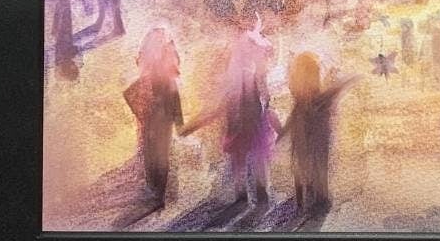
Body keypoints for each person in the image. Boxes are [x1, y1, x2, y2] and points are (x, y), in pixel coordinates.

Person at [182, 21, 280, 205]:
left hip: (248, 123)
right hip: (246, 123)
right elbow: (221, 106)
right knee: (251, 161)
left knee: (246, 162)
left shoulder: (250, 76)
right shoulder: (246, 77)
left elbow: (263, 101)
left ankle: (249, 195)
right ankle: (254, 195)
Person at [277, 52, 357, 217]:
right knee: (317, 164)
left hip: (304, 132)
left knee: (303, 164)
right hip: (315, 133)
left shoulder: (301, 92)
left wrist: (284, 131)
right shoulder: (315, 94)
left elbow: (296, 112)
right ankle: (317, 200)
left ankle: (304, 202)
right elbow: (334, 91)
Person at [122, 26, 183, 205]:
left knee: (158, 152)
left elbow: (172, 90)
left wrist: (178, 119)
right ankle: (155, 191)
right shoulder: (157, 61)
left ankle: (158, 193)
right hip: (156, 113)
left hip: (160, 113)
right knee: (153, 151)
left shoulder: (166, 56)